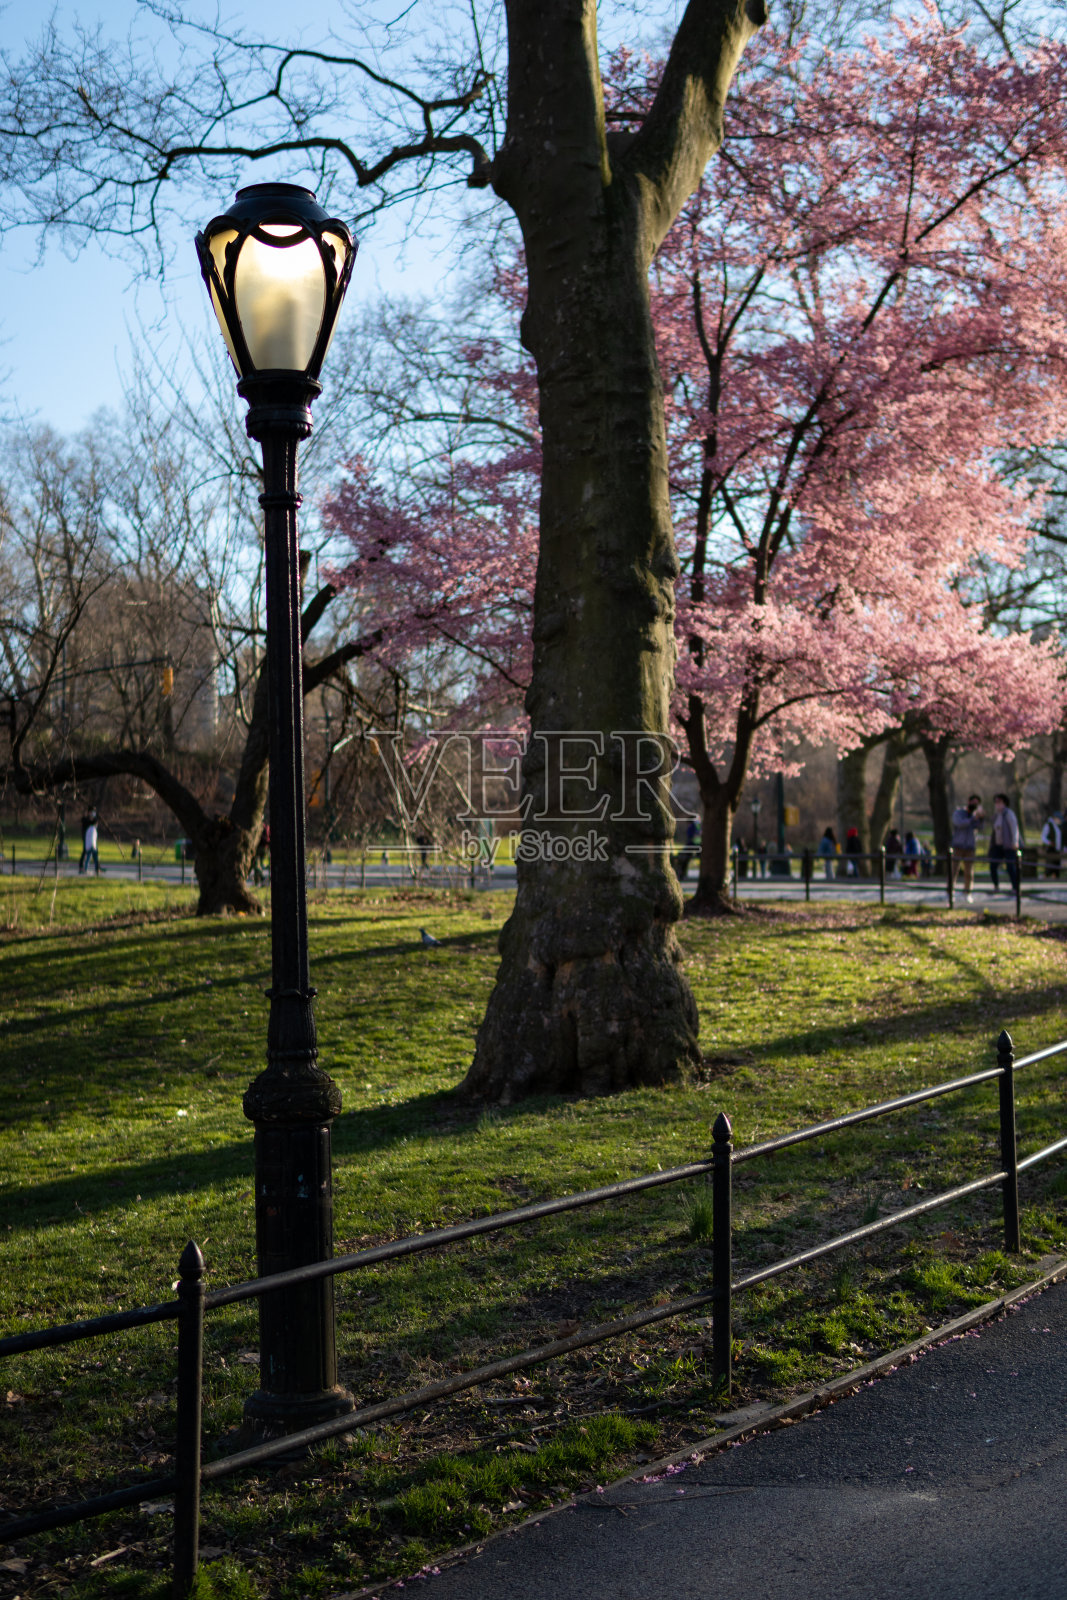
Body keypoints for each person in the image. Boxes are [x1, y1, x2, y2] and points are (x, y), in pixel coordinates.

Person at [950, 794, 985, 901]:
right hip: (958, 846)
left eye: (977, 803)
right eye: (973, 802)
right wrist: (972, 818)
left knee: (969, 872)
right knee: (953, 870)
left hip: (970, 847)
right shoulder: (959, 813)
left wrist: (981, 818)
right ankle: (950, 891)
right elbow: (959, 824)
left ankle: (967, 892)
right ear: (968, 802)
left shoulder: (976, 816)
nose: (974, 805)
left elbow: (981, 828)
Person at [988, 791, 1021, 895]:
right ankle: (996, 886)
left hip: (1008, 845)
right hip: (998, 845)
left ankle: (1015, 888)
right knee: (993, 865)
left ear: (1005, 802)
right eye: (996, 802)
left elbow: (1014, 828)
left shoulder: (1009, 813)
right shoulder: (997, 815)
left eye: (999, 802)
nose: (997, 804)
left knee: (1010, 867)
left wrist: (1015, 842)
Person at [1041, 812, 1062, 879]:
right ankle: (1045, 878)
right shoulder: (1048, 825)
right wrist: (1049, 842)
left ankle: (1055, 879)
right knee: (1050, 865)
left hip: (1057, 849)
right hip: (1051, 848)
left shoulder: (1057, 826)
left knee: (1056, 866)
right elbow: (1043, 837)